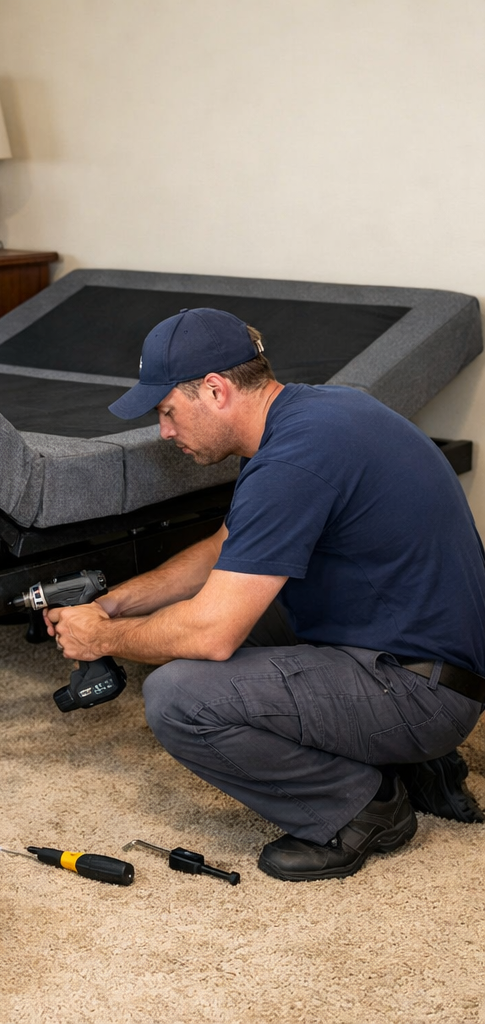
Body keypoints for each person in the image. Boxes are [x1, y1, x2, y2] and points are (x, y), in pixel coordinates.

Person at [46, 307, 485, 881]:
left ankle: (362, 807)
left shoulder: (294, 459)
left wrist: (102, 637)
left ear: (215, 389)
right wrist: (115, 604)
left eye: (168, 411)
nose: (165, 431)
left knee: (180, 694)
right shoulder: (318, 414)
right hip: (420, 653)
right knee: (220, 613)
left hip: (423, 690)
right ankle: (411, 763)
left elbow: (211, 633)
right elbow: (222, 548)